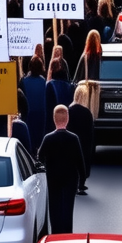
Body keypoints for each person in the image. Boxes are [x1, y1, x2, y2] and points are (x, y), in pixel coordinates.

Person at [38, 105, 87, 234]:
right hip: (70, 178)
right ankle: (67, 232)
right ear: (67, 119)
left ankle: (55, 232)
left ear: (54, 119)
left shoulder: (48, 138)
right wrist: (82, 179)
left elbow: (40, 157)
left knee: (54, 206)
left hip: (52, 177)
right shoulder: (74, 138)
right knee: (68, 207)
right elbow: (80, 161)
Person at [68, 83, 97, 194]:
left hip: (71, 141)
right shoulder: (87, 113)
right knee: (82, 162)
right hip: (84, 142)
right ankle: (81, 184)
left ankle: (74, 184)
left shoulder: (69, 110)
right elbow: (90, 132)